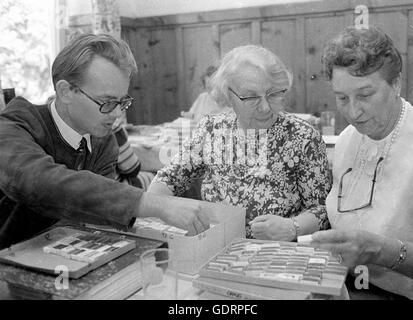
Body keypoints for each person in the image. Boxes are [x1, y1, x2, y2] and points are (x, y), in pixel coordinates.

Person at [0, 33, 210, 250]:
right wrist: (152, 203)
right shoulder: (15, 124)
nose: (117, 114)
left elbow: (96, 212)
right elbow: (40, 182)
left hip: (60, 258)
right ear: (65, 92)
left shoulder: (101, 139)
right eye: (107, 102)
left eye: (122, 102)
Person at [149, 45, 331, 240]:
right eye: (251, 97)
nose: (264, 107)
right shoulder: (211, 129)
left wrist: (292, 226)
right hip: (219, 247)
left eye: (274, 94)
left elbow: (322, 210)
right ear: (228, 95)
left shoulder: (303, 137)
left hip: (278, 255)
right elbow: (168, 179)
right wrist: (158, 209)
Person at [311, 26, 413, 299]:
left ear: (396, 84)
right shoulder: (347, 140)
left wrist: (379, 250)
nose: (353, 111)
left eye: (365, 95)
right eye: (342, 98)